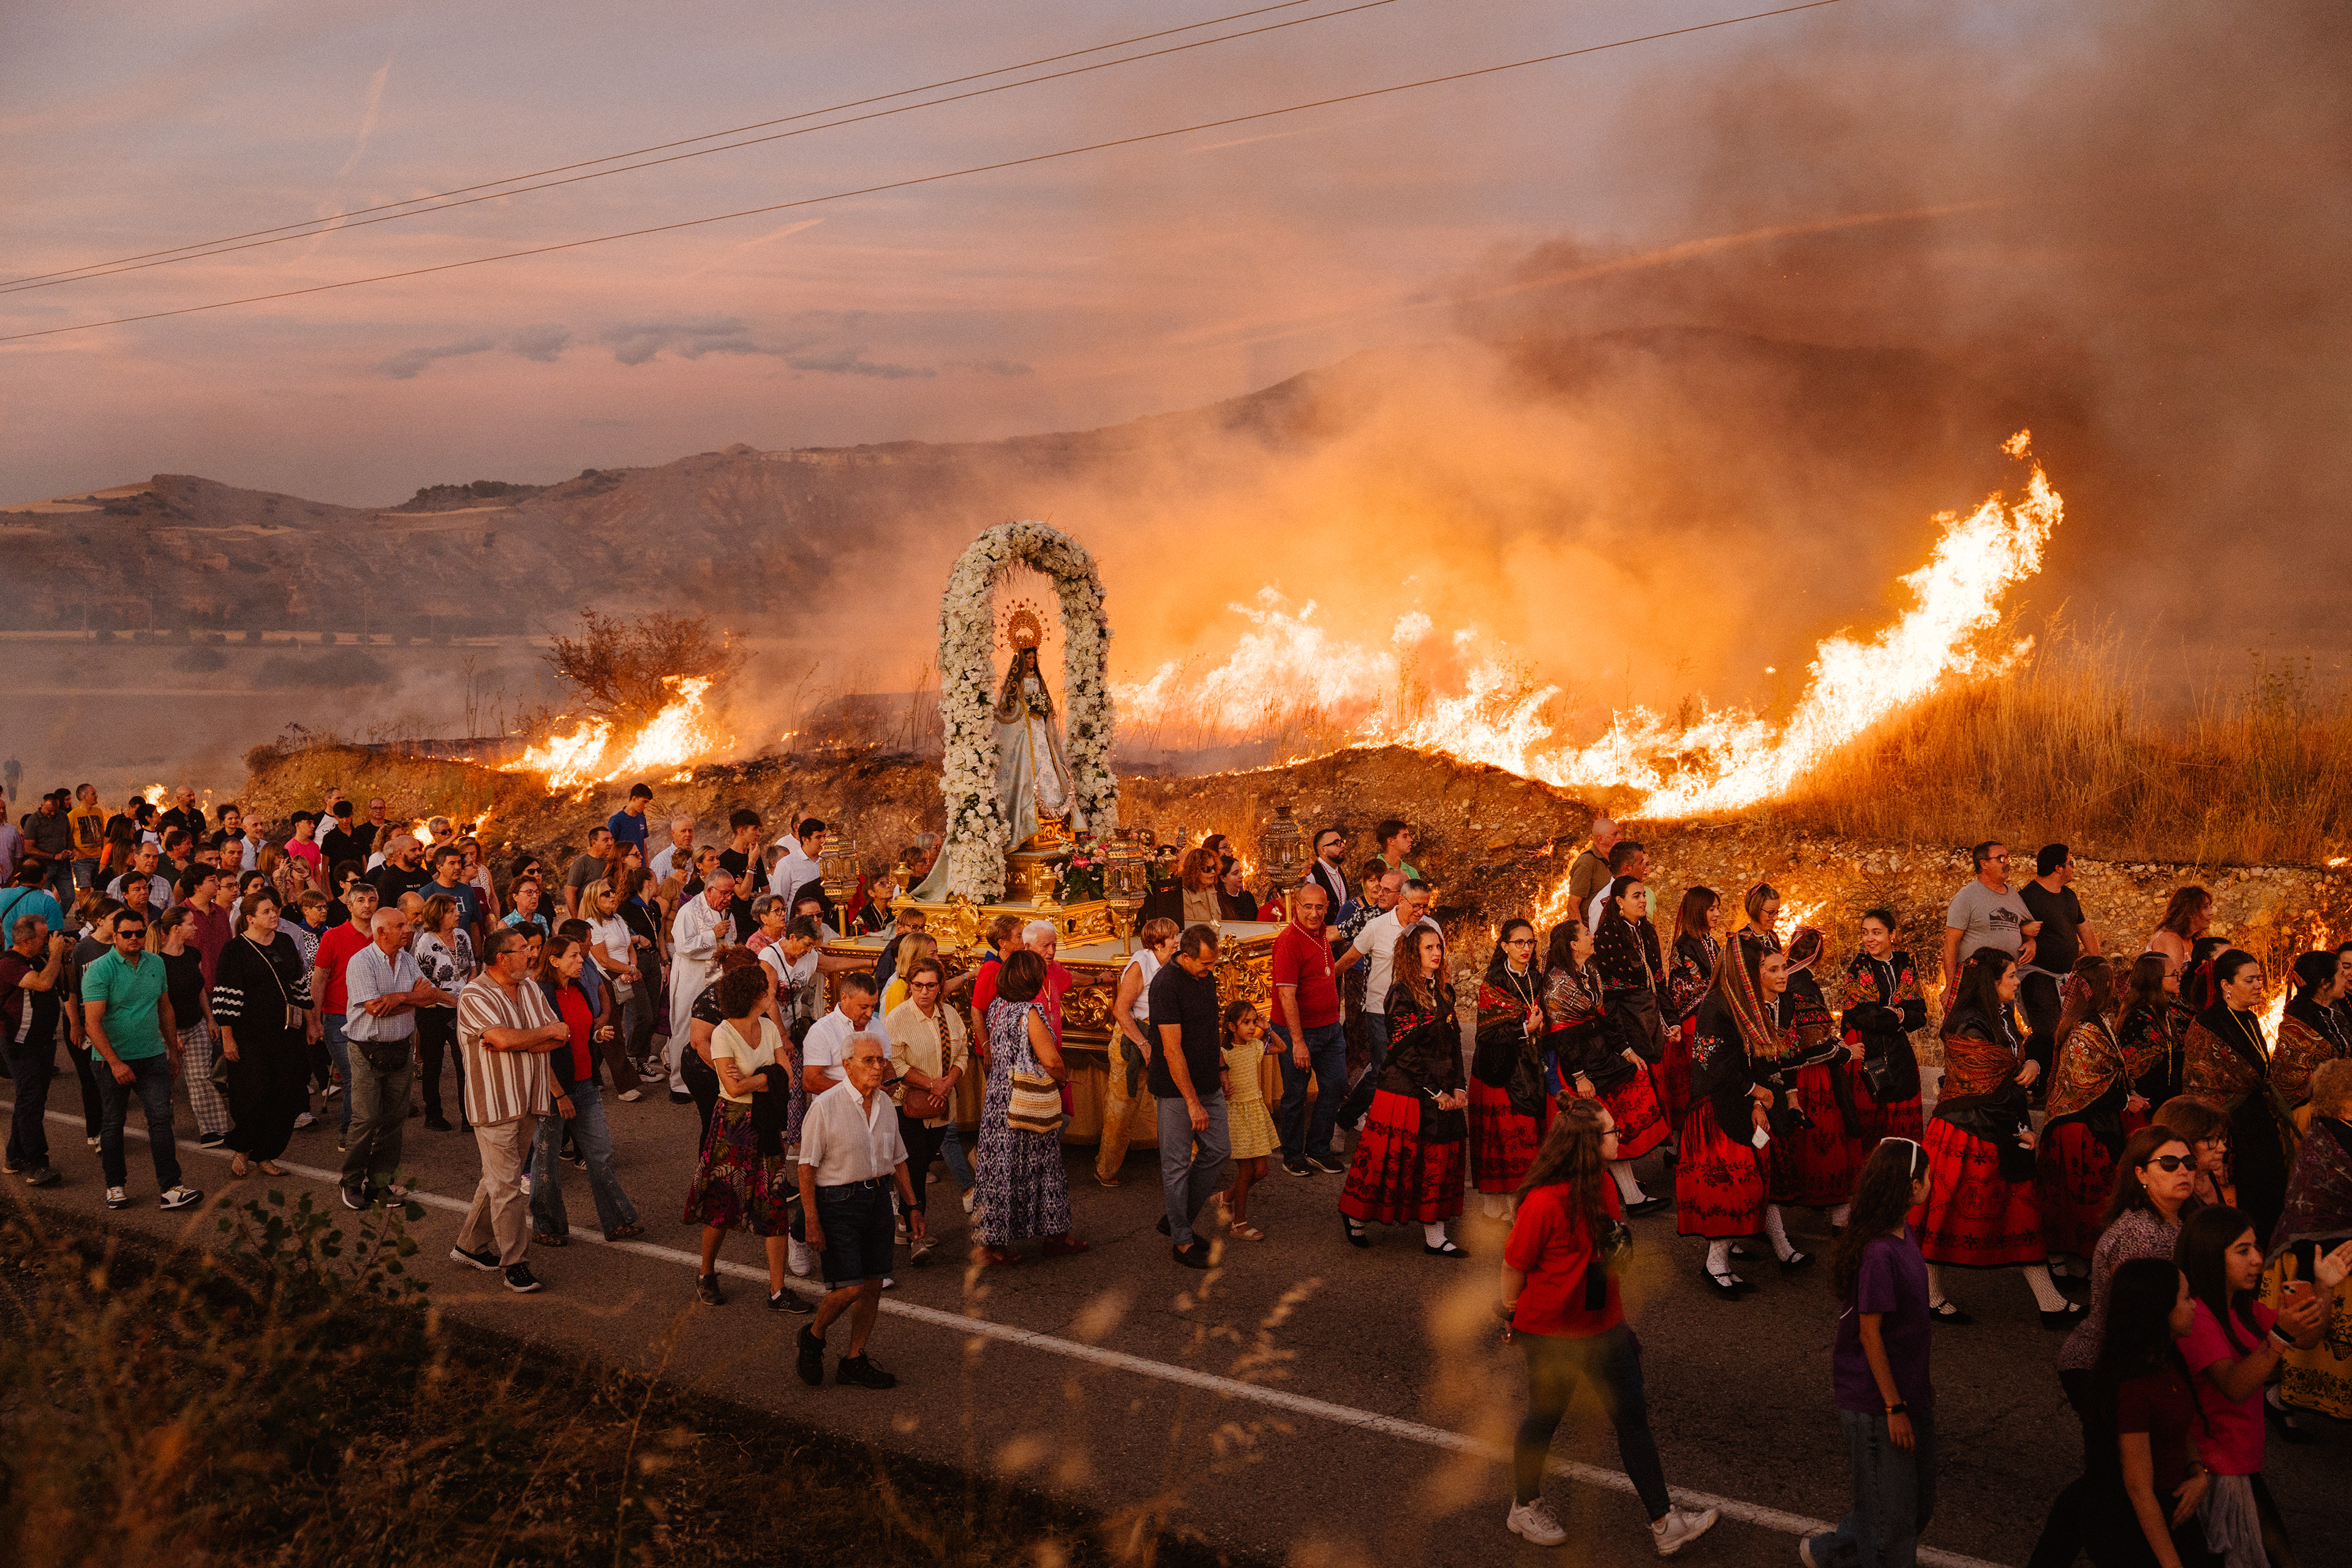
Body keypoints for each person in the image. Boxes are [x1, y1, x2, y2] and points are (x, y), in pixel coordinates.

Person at [1498, 1097, 1719, 1555]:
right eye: (1612, 1132)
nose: (1620, 1136)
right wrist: (1509, 1313)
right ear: (1587, 1143)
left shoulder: (1603, 1183)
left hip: (1603, 1325)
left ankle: (1664, 1523)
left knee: (1632, 1419)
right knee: (1545, 1417)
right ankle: (1524, 1506)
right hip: (1553, 1333)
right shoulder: (1542, 1201)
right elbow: (1514, 1265)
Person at [2031, 1128, 2205, 1568]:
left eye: (2189, 1163)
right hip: (2100, 1366)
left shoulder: (2176, 1221)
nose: (2183, 1171)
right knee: (2115, 1481)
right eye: (2170, 1164)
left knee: (2106, 1478)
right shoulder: (2141, 1238)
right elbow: (2133, 1325)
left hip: (2136, 1361)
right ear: (2142, 1175)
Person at [1914, 949, 2080, 1325]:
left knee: (2020, 1214)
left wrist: (2032, 1064)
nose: (2018, 982)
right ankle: (1930, 1295)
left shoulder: (2002, 1015)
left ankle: (2049, 1302)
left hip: (1998, 1125)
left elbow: (2010, 1070)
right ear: (1990, 984)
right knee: (1944, 1218)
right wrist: (2021, 1128)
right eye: (2011, 976)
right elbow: (1988, 1087)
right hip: (1970, 1132)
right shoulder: (1968, 1024)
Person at [2174, 1204, 2342, 1568]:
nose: (2257, 1260)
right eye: (2243, 1251)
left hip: (2240, 1463)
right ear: (2209, 1254)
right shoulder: (2199, 1316)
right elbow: (2234, 1386)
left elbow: (2309, 1338)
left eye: (2257, 1248)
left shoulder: (2241, 1308)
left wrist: (2325, 1287)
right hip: (2214, 1470)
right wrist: (2281, 1335)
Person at [1804, 1137, 1937, 1568]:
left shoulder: (1905, 1232)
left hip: (1910, 1392)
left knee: (1913, 1506)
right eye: (1928, 1177)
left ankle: (1830, 1552)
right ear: (1911, 1186)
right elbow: (1870, 1333)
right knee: (1893, 1531)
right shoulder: (1880, 1254)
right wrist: (1894, 1406)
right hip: (1879, 1403)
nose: (1932, 1184)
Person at [2071, 1260, 2221, 1568]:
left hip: (2172, 1508)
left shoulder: (2169, 1360)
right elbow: (2139, 1488)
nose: (2195, 1306)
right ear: (2159, 1310)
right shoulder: (2133, 1388)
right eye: (2186, 1298)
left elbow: (2176, 1425)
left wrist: (2198, 1473)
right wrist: (2170, 1563)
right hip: (2134, 1527)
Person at [797, 1027, 923, 1387]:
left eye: (880, 1060)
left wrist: (912, 1206)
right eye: (868, 1060)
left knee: (871, 1286)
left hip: (878, 1200)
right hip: (838, 1202)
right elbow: (806, 1166)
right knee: (849, 1287)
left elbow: (898, 1159)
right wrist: (811, 1219)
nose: (877, 1067)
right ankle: (815, 1335)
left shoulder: (885, 1106)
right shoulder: (826, 1106)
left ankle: (854, 1358)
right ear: (847, 1065)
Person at [1677, 933, 1800, 1295]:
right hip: (1715, 1110)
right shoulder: (1716, 1005)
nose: (1764, 970)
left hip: (1737, 1104)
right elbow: (1716, 1067)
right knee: (1735, 1188)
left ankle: (1743, 1257)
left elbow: (1753, 1060)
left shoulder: (1740, 1002)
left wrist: (1759, 1100)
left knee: (1753, 1180)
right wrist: (1756, 1093)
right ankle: (1716, 1264)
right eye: (1759, 964)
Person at [451, 927, 569, 1294]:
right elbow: (503, 1037)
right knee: (508, 1188)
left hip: (529, 1099)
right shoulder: (474, 994)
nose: (531, 955)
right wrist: (529, 1038)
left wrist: (519, 1042)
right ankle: (514, 1263)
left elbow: (559, 1034)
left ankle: (468, 1246)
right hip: (495, 1104)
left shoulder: (532, 988)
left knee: (497, 1179)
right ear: (502, 958)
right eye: (523, 950)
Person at [1340, 924, 1469, 1258]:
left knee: (1436, 1162)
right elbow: (1403, 1052)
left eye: (1438, 946)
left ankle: (1435, 1237)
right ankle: (1355, 1215)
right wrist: (1435, 1092)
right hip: (1404, 1090)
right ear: (1414, 954)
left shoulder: (1445, 992)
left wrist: (1457, 1085)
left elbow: (1454, 1042)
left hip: (1440, 1086)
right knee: (1388, 1162)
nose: (1436, 953)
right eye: (1428, 948)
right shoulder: (1401, 993)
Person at [1544, 918, 1669, 1213]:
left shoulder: (1592, 970)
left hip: (1601, 1055)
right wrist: (1579, 1077)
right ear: (1574, 945)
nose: (1592, 936)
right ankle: (1578, 1206)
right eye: (1586, 933)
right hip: (1577, 1065)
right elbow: (1562, 1034)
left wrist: (1626, 1052)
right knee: (1592, 1136)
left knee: (1613, 1127)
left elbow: (1605, 1018)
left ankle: (1631, 1197)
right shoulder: (1556, 982)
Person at [82, 905, 203, 1211]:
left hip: (152, 1056)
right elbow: (92, 1023)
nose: (134, 938)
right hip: (113, 1061)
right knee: (112, 1124)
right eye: (127, 934)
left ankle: (171, 1187)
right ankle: (115, 1186)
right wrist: (115, 1062)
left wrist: (172, 1052)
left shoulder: (155, 963)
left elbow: (165, 1008)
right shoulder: (99, 970)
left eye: (139, 932)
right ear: (114, 935)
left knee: (161, 1122)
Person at [526, 933, 643, 1246]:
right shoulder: (541, 995)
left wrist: (596, 1034)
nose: (582, 961)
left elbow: (579, 1029)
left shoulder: (577, 988)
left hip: (586, 1083)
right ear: (554, 961)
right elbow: (538, 1048)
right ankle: (547, 1226)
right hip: (555, 1091)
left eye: (581, 955)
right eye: (575, 956)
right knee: (546, 1160)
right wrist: (558, 1094)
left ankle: (617, 1221)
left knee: (601, 1154)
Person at [976, 949, 1088, 1266]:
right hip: (1026, 1098)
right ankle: (1056, 1236)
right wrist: (1063, 1079)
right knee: (1045, 1166)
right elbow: (1051, 1060)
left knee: (999, 1171)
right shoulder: (1029, 1014)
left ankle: (992, 1243)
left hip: (999, 1098)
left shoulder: (999, 1007)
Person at [2263, 1058, 2352, 1431]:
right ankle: (2280, 1396)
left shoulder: (2330, 1130)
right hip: (2318, 1246)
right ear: (2345, 1104)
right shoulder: (2338, 1139)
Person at [2182, 949, 2292, 1245]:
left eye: (2259, 978)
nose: (2259, 985)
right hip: (2231, 1134)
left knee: (2271, 1204)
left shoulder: (2252, 1020)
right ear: (2226, 986)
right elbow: (2199, 1087)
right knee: (2247, 1209)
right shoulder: (2206, 1025)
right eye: (2250, 980)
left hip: (2260, 1128)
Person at [2038, 957, 2139, 1270]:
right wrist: (2124, 1100)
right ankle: (2080, 1264)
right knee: (2083, 1205)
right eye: (2108, 983)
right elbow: (2084, 1081)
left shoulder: (2097, 1021)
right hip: (2079, 1129)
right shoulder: (2082, 1029)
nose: (2114, 988)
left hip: (2090, 1123)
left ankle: (2084, 1265)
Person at [211, 889, 317, 1181]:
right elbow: (225, 998)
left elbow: (299, 986)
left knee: (285, 1093)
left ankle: (266, 1154)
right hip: (249, 1036)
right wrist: (228, 1038)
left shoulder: (284, 942)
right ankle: (243, 1147)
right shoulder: (235, 950)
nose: (275, 915)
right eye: (267, 912)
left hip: (286, 1033)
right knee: (253, 1092)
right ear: (250, 919)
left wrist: (312, 1022)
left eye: (275, 910)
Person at [1144, 924, 1231, 1268]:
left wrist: (1222, 1069)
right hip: (1177, 1089)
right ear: (1185, 955)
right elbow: (1171, 1049)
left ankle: (1176, 1218)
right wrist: (1193, 1102)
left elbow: (1211, 1027)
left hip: (1208, 1079)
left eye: (1213, 963)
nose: (1211, 970)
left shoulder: (1204, 976)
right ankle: (1181, 1239)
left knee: (1219, 1150)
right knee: (1177, 1164)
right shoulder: (1166, 984)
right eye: (1206, 964)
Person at [341, 906, 435, 1209]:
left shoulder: (407, 959)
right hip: (366, 1049)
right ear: (381, 931)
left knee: (394, 1120)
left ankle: (380, 1184)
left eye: (406, 925)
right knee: (366, 1119)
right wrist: (411, 1000)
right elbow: (373, 1009)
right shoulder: (361, 962)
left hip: (400, 1049)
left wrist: (397, 998)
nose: (408, 930)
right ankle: (351, 1182)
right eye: (400, 926)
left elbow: (429, 994)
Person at [1772, 927, 1866, 1231]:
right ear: (1819, 956)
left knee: (1800, 1134)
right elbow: (1814, 1039)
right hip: (1812, 1074)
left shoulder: (1782, 979)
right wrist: (1846, 1053)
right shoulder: (1805, 985)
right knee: (1825, 1132)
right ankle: (1835, 1206)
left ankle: (1804, 1194)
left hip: (1787, 1071)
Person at [1338, 875, 1439, 1134]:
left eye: (1426, 906)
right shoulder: (1377, 926)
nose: (1421, 912)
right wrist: (1323, 984)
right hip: (1380, 1010)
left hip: (1418, 1011)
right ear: (1401, 900)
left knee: (1413, 1065)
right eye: (1416, 906)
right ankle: (1351, 1117)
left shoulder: (1430, 928)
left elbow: (1441, 969)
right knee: (1384, 1068)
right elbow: (1349, 959)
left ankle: (1403, 1120)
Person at [885, 956, 968, 1263]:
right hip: (909, 1108)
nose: (924, 992)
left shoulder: (950, 1014)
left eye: (930, 986)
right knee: (914, 1170)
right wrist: (932, 1085)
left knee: (920, 1168)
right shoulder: (897, 1018)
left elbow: (963, 1054)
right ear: (910, 985)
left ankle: (911, 1225)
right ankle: (914, 1237)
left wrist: (947, 1084)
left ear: (940, 986)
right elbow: (895, 1063)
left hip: (943, 1108)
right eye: (918, 985)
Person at [1471, 918, 1551, 1214]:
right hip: (1498, 1070)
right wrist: (1525, 1029)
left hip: (1530, 1068)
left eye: (1531, 942)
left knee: (1526, 1139)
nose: (1526, 948)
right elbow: (1487, 1032)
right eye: (1519, 942)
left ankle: (1509, 1207)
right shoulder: (1494, 981)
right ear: (1504, 946)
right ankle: (1504, 1206)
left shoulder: (1538, 978)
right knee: (1504, 1142)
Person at [1269, 883, 1349, 1180]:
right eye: (1308, 907)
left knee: (1336, 1085)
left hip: (1330, 1028)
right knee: (1295, 1095)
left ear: (1326, 907)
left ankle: (1317, 1148)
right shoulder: (1290, 941)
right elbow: (1287, 996)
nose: (1314, 913)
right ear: (1297, 907)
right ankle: (1292, 1155)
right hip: (1297, 1033)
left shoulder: (1321, 933)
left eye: (1320, 907)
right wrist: (1298, 1042)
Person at [1097, 917, 1180, 1188]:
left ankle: (1188, 1165)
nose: (1178, 941)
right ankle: (1105, 1170)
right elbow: (1120, 1010)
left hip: (1161, 1037)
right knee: (1121, 1112)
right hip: (1132, 1041)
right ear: (1156, 943)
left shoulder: (1174, 963)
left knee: (1177, 1103)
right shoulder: (1140, 965)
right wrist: (1144, 1046)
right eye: (1173, 937)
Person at [1840, 907, 1927, 1145]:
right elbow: (1862, 1016)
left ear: (1893, 935)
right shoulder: (1859, 968)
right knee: (1870, 1121)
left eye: (1877, 932)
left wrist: (1897, 1014)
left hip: (1899, 1049)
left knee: (1901, 1112)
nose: (1870, 939)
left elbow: (1919, 1014)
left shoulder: (1905, 964)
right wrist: (1900, 1016)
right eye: (1865, 932)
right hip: (1866, 1049)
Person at [2019, 844, 2100, 1083]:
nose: (2074, 868)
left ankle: (2050, 1081)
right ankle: (2033, 1081)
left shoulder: (2069, 896)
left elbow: (2084, 929)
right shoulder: (2028, 897)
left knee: (2066, 1030)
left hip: (2065, 977)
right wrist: (2027, 936)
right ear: (2058, 868)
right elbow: (2013, 926)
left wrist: (2098, 964)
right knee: (2048, 1030)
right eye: (2071, 863)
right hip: (2037, 975)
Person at [151, 905, 228, 1150]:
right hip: (165, 1031)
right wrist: (171, 1035)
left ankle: (214, 1129)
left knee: (200, 1079)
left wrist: (210, 1019)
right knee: (164, 1083)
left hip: (196, 1026)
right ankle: (163, 1129)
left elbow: (200, 990)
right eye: (190, 924)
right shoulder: (156, 963)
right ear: (176, 929)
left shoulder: (192, 955)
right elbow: (155, 1003)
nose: (195, 928)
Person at [1, 912, 70, 1186]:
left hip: (42, 1041)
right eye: (44, 938)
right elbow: (43, 983)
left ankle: (14, 1155)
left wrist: (62, 955)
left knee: (32, 1101)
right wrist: (54, 955)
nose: (49, 942)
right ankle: (37, 1164)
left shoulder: (38, 958)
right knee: (30, 1101)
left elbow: (62, 983)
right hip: (19, 1043)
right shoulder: (9, 964)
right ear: (27, 941)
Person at [310, 879, 377, 1147]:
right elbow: (320, 979)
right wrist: (314, 1020)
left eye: (372, 900)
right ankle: (349, 1133)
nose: (367, 905)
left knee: (371, 1076)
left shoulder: (382, 934)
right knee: (353, 1075)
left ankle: (368, 1129)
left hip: (374, 1016)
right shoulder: (332, 936)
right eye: (360, 900)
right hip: (339, 1016)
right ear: (349, 905)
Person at [1939, 842, 2037, 1013]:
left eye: (2008, 858)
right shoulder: (1966, 897)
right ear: (1984, 864)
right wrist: (1951, 985)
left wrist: (2030, 942)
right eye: (2001, 858)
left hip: (2005, 984)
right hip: (1976, 985)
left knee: (2004, 1032)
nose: (2007, 862)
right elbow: (1951, 944)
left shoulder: (2013, 894)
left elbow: (2027, 927)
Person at [666, 867, 736, 1102]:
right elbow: (683, 946)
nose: (728, 898)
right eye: (725, 893)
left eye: (731, 893)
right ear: (710, 890)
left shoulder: (727, 913)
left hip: (717, 977)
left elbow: (732, 940)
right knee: (686, 1024)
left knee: (714, 1027)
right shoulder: (689, 911)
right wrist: (712, 935)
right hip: (691, 975)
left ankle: (708, 1075)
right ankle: (679, 1083)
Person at [1664, 887, 1724, 1133]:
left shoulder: (1711, 942)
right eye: (1712, 909)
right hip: (1693, 1026)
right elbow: (1685, 989)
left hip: (1712, 1020)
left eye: (1718, 908)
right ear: (1698, 911)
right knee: (1696, 1087)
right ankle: (1687, 1145)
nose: (1718, 914)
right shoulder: (1685, 946)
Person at [1217, 998, 1276, 1239]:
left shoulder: (1254, 1047)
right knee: (1246, 1171)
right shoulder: (1223, 1054)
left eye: (1254, 1022)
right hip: (1238, 1115)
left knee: (1261, 1171)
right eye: (1246, 1023)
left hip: (1255, 1111)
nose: (1252, 1028)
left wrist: (1268, 1027)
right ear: (1232, 1027)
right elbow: (1217, 1079)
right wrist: (1224, 1087)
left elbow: (1281, 1047)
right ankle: (1238, 1223)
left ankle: (1227, 1196)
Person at [2269, 951, 2347, 1113]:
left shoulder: (2332, 1011)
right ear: (2325, 983)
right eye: (2341, 974)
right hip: (2313, 1112)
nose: (2346, 978)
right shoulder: (2300, 1020)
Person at [2117, 954, 2187, 1119]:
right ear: (2155, 979)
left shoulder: (2164, 1013)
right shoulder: (2137, 1019)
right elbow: (2138, 1075)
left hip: (2168, 1103)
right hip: (2147, 1108)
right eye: (2173, 974)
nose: (2179, 978)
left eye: (2179, 972)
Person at [2146, 888, 2212, 978]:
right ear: (2190, 912)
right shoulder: (2170, 940)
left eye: (2210, 907)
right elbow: (2173, 982)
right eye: (2205, 907)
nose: (2211, 913)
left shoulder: (2190, 938)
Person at [1585, 840, 1649, 935]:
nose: (1644, 867)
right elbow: (1600, 941)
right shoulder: (1603, 902)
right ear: (1627, 869)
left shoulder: (1642, 892)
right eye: (1640, 863)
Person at [1565, 816, 1621, 919]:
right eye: (1615, 834)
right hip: (1591, 929)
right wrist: (1582, 933)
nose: (1620, 837)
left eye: (1619, 833)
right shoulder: (1587, 862)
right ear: (1601, 839)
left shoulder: (1615, 860)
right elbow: (1573, 905)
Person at [559, 826, 614, 919]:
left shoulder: (609, 862)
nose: (610, 843)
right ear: (594, 843)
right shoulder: (581, 863)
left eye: (611, 839)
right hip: (588, 916)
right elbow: (570, 892)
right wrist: (576, 918)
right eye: (606, 840)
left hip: (607, 916)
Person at [1303, 823, 1352, 916]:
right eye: (1337, 843)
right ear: (1323, 850)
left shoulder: (1338, 870)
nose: (1343, 846)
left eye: (1342, 842)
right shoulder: (1312, 875)